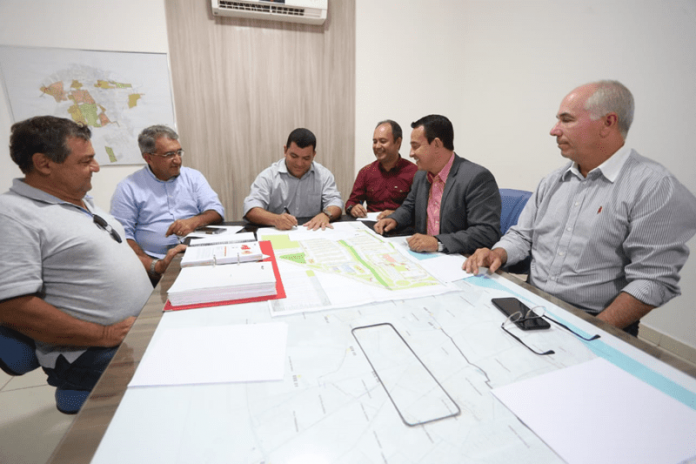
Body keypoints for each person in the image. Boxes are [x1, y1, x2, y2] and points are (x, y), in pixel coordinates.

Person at [464, 80, 696, 335]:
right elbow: (522, 236)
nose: (554, 130)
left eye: (566, 120)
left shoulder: (654, 187)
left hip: (597, 319)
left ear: (608, 123)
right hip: (532, 304)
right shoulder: (553, 181)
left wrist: (588, 333)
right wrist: (498, 253)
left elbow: (652, 280)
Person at [0, 115, 154, 395]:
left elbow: (112, 252)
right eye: (85, 161)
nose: (96, 167)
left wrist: (154, 267)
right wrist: (104, 334)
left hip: (137, 328)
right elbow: (12, 307)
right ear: (44, 163)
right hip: (90, 352)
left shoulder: (79, 201)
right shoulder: (12, 215)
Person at [374, 114, 501, 254]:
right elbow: (409, 207)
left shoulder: (476, 178)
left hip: (460, 258)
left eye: (415, 146)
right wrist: (394, 219)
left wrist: (438, 242)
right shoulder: (421, 175)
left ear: (436, 144)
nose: (411, 153)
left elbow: (486, 232)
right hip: (423, 256)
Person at [110, 125, 224, 281]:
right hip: (155, 262)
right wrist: (153, 266)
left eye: (179, 152)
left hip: (197, 254)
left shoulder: (193, 177)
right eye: (169, 154)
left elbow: (216, 211)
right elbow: (122, 236)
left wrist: (194, 221)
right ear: (148, 158)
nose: (177, 160)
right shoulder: (128, 187)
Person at [243, 128, 343, 231]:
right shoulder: (268, 176)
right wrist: (275, 219)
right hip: (278, 233)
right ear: (285, 150)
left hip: (311, 231)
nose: (299, 163)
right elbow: (251, 209)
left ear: (314, 155)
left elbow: (335, 202)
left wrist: (326, 215)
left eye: (306, 158)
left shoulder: (323, 175)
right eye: (294, 156)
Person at [345, 120, 418, 219]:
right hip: (371, 224)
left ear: (398, 143)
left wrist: (397, 214)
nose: (377, 146)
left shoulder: (414, 173)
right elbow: (352, 202)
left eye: (383, 141)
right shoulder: (366, 172)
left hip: (401, 224)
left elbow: (420, 209)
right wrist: (353, 208)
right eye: (375, 142)